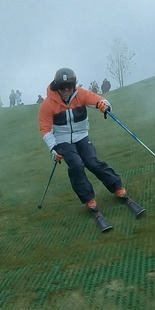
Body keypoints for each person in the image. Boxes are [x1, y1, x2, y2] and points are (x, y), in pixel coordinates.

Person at [38, 67, 132, 216]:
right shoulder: (48, 104)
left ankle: (117, 187)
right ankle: (88, 198)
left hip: (81, 136)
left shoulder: (80, 94)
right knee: (76, 165)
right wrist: (53, 147)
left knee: (92, 162)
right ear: (57, 87)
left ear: (74, 85)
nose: (66, 90)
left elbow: (98, 100)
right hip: (62, 141)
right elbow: (45, 129)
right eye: (62, 87)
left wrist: (104, 105)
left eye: (69, 86)